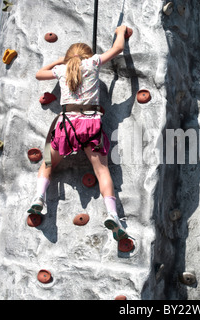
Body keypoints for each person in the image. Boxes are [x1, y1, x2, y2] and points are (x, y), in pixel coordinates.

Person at [27, 26, 129, 241]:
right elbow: (118, 47)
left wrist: (58, 62)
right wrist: (121, 31)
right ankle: (112, 213)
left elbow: (39, 74)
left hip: (67, 125)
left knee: (46, 163)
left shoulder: (62, 71)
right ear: (88, 55)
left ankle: (38, 198)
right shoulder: (93, 63)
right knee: (102, 171)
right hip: (91, 123)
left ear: (68, 58)